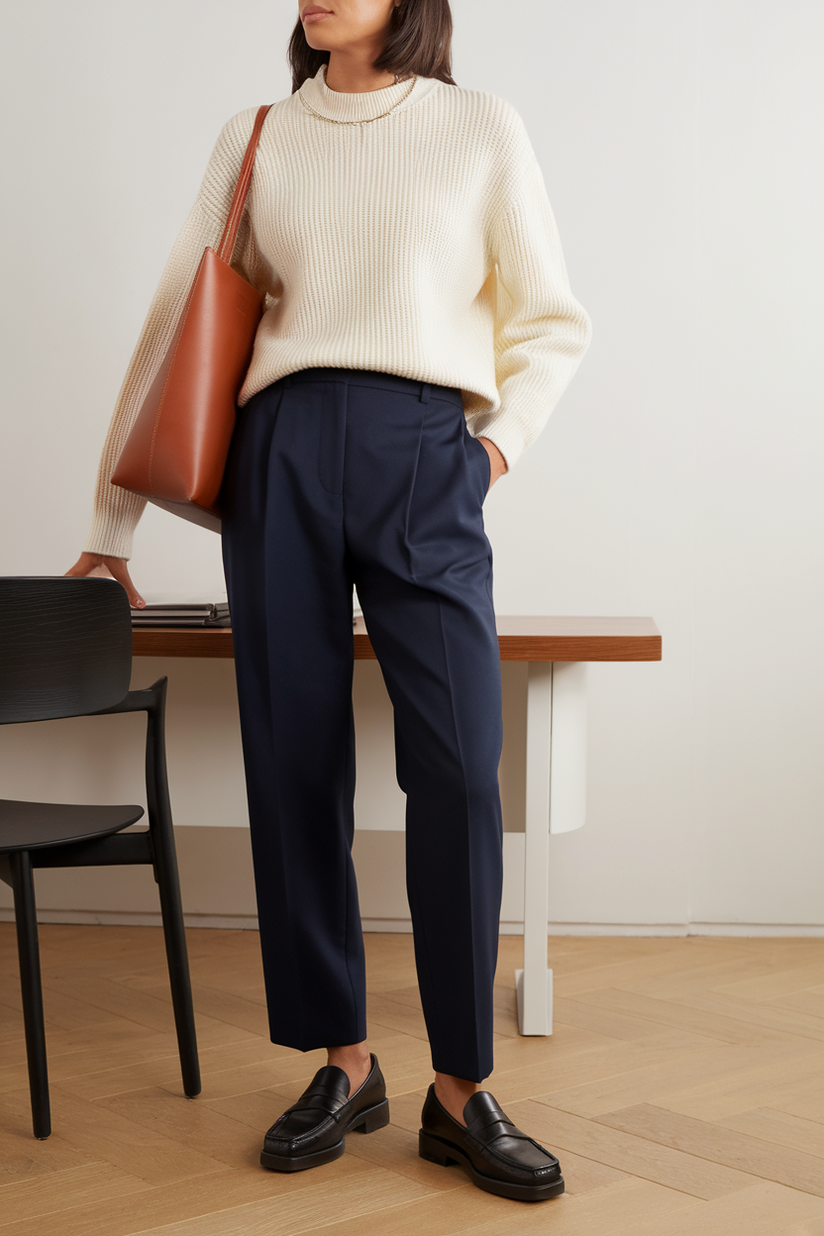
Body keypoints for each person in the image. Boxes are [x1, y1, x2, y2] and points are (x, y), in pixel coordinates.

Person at [66, 0, 591, 1204]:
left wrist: (490, 453)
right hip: (282, 451)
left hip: (425, 453)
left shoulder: (479, 129)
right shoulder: (257, 134)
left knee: (458, 766)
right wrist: (109, 524)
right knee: (292, 763)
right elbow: (175, 316)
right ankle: (342, 1060)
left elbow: (552, 320)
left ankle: (460, 1089)